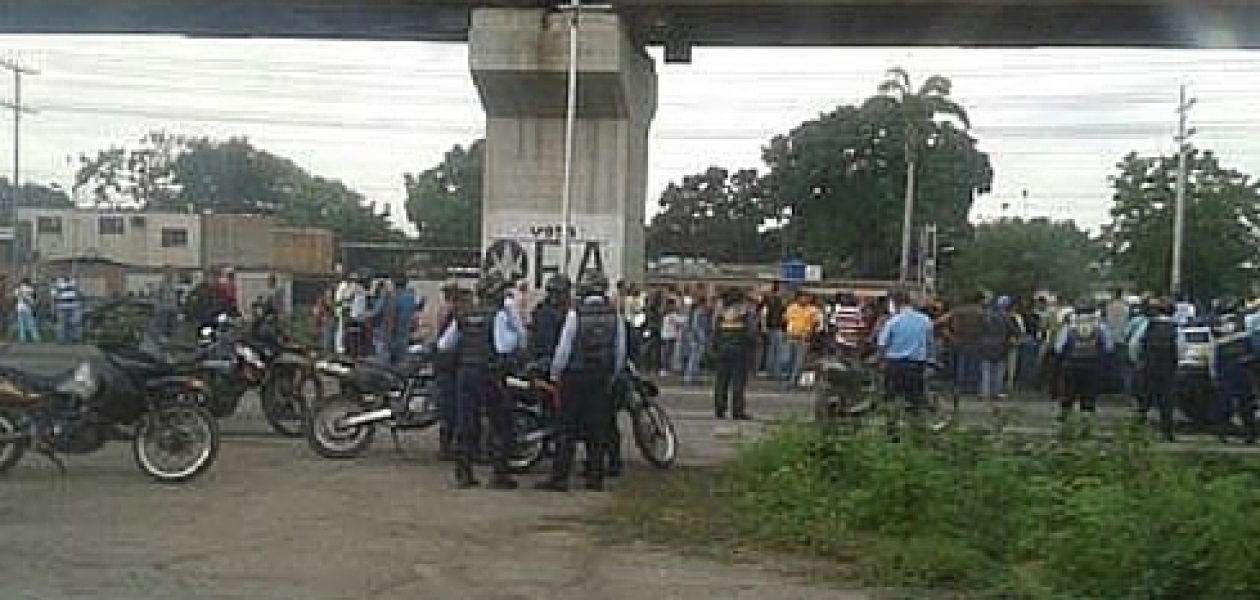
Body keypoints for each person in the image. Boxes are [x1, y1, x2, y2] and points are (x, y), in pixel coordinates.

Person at [537, 269, 627, 492]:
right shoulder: (614, 315)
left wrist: (555, 376)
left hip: (574, 378)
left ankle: (560, 478)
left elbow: (563, 350)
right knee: (597, 429)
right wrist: (611, 377)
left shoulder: (576, 314)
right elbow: (620, 352)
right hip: (600, 378)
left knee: (566, 429)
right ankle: (595, 478)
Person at [436, 274, 519, 490]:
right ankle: (500, 475)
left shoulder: (464, 314)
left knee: (466, 423)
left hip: (465, 373)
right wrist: (516, 335)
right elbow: (503, 346)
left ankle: (464, 474)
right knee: (502, 424)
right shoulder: (498, 316)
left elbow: (444, 345)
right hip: (490, 374)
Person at [877, 290, 934, 433]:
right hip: (916, 364)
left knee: (892, 397)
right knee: (915, 400)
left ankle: (892, 430)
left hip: (894, 363)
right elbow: (930, 343)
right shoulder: (925, 320)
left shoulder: (893, 321)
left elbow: (882, 344)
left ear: (896, 303)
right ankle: (916, 431)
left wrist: (880, 360)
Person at [1054, 298, 1115, 421]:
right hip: (1093, 364)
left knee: (1069, 392)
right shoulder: (1100, 326)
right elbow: (1109, 347)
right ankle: (1086, 418)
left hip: (1071, 364)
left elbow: (1058, 347)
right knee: (1089, 393)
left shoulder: (1070, 326)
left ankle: (1065, 415)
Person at [1129, 298, 1178, 440]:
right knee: (1167, 402)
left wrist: (1137, 361)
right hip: (1168, 369)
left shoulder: (1147, 325)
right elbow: (1181, 348)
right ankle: (1167, 433)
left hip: (1148, 367)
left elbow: (1134, 344)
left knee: (1144, 400)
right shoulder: (1175, 327)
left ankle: (1135, 430)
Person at [712, 288, 757, 420]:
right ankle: (737, 410)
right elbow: (751, 333)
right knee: (738, 382)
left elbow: (714, 332)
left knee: (721, 381)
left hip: (722, 350)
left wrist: (715, 348)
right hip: (740, 350)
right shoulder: (745, 313)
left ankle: (720, 408)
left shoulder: (721, 313)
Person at [433, 281, 465, 461]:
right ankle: (446, 447)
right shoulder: (452, 312)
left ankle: (446, 445)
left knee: (449, 406)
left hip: (445, 361)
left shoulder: (445, 309)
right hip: (449, 363)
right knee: (450, 407)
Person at [941, 292, 987, 397]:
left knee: (962, 364)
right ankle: (972, 388)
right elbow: (986, 325)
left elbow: (942, 320)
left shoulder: (958, 310)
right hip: (976, 340)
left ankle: (961, 387)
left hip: (960, 339)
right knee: (974, 364)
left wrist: (948, 334)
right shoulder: (981, 312)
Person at [783, 291, 823, 389]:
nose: (804, 299)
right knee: (788, 359)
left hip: (804, 338)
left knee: (799, 361)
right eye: (803, 297)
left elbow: (817, 323)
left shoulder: (813, 310)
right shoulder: (791, 308)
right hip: (791, 337)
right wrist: (786, 332)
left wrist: (811, 333)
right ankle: (789, 377)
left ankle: (792, 381)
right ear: (798, 298)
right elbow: (785, 320)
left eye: (807, 297)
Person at [530, 274, 572, 363]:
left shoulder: (571, 311)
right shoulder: (542, 311)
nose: (554, 296)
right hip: (545, 358)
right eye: (552, 292)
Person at [683, 295, 713, 385]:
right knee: (694, 357)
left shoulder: (701, 312)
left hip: (696, 337)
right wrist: (702, 338)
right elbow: (696, 326)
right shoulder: (699, 312)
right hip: (696, 338)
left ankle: (693, 376)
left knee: (697, 358)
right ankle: (690, 376)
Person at [391, 274, 419, 360]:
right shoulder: (411, 296)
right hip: (406, 331)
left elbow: (393, 316)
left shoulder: (394, 296)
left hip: (396, 333)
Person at [51, 275, 82, 345]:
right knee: (62, 324)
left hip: (73, 307)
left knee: (71, 324)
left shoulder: (73, 282)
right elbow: (54, 296)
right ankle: (61, 340)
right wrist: (53, 308)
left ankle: (70, 340)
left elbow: (79, 293)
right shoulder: (57, 283)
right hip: (62, 307)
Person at [152, 266, 180, 339]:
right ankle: (162, 339)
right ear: (164, 273)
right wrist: (157, 309)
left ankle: (170, 340)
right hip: (163, 310)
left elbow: (175, 297)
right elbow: (158, 297)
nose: (170, 274)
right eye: (168, 272)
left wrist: (176, 308)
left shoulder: (174, 284)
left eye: (171, 272)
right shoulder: (161, 284)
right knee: (162, 329)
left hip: (172, 309)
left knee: (172, 329)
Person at [659, 298, 683, 377]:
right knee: (667, 353)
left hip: (666, 336)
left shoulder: (666, 314)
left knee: (667, 353)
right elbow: (680, 321)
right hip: (669, 336)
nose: (675, 306)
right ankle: (665, 369)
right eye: (674, 304)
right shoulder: (671, 315)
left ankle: (666, 368)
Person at [13, 277, 38, 343]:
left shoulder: (18, 289)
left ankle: (22, 338)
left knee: (21, 324)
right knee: (30, 323)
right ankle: (35, 338)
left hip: (20, 307)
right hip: (27, 307)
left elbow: (15, 298)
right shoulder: (30, 289)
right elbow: (33, 297)